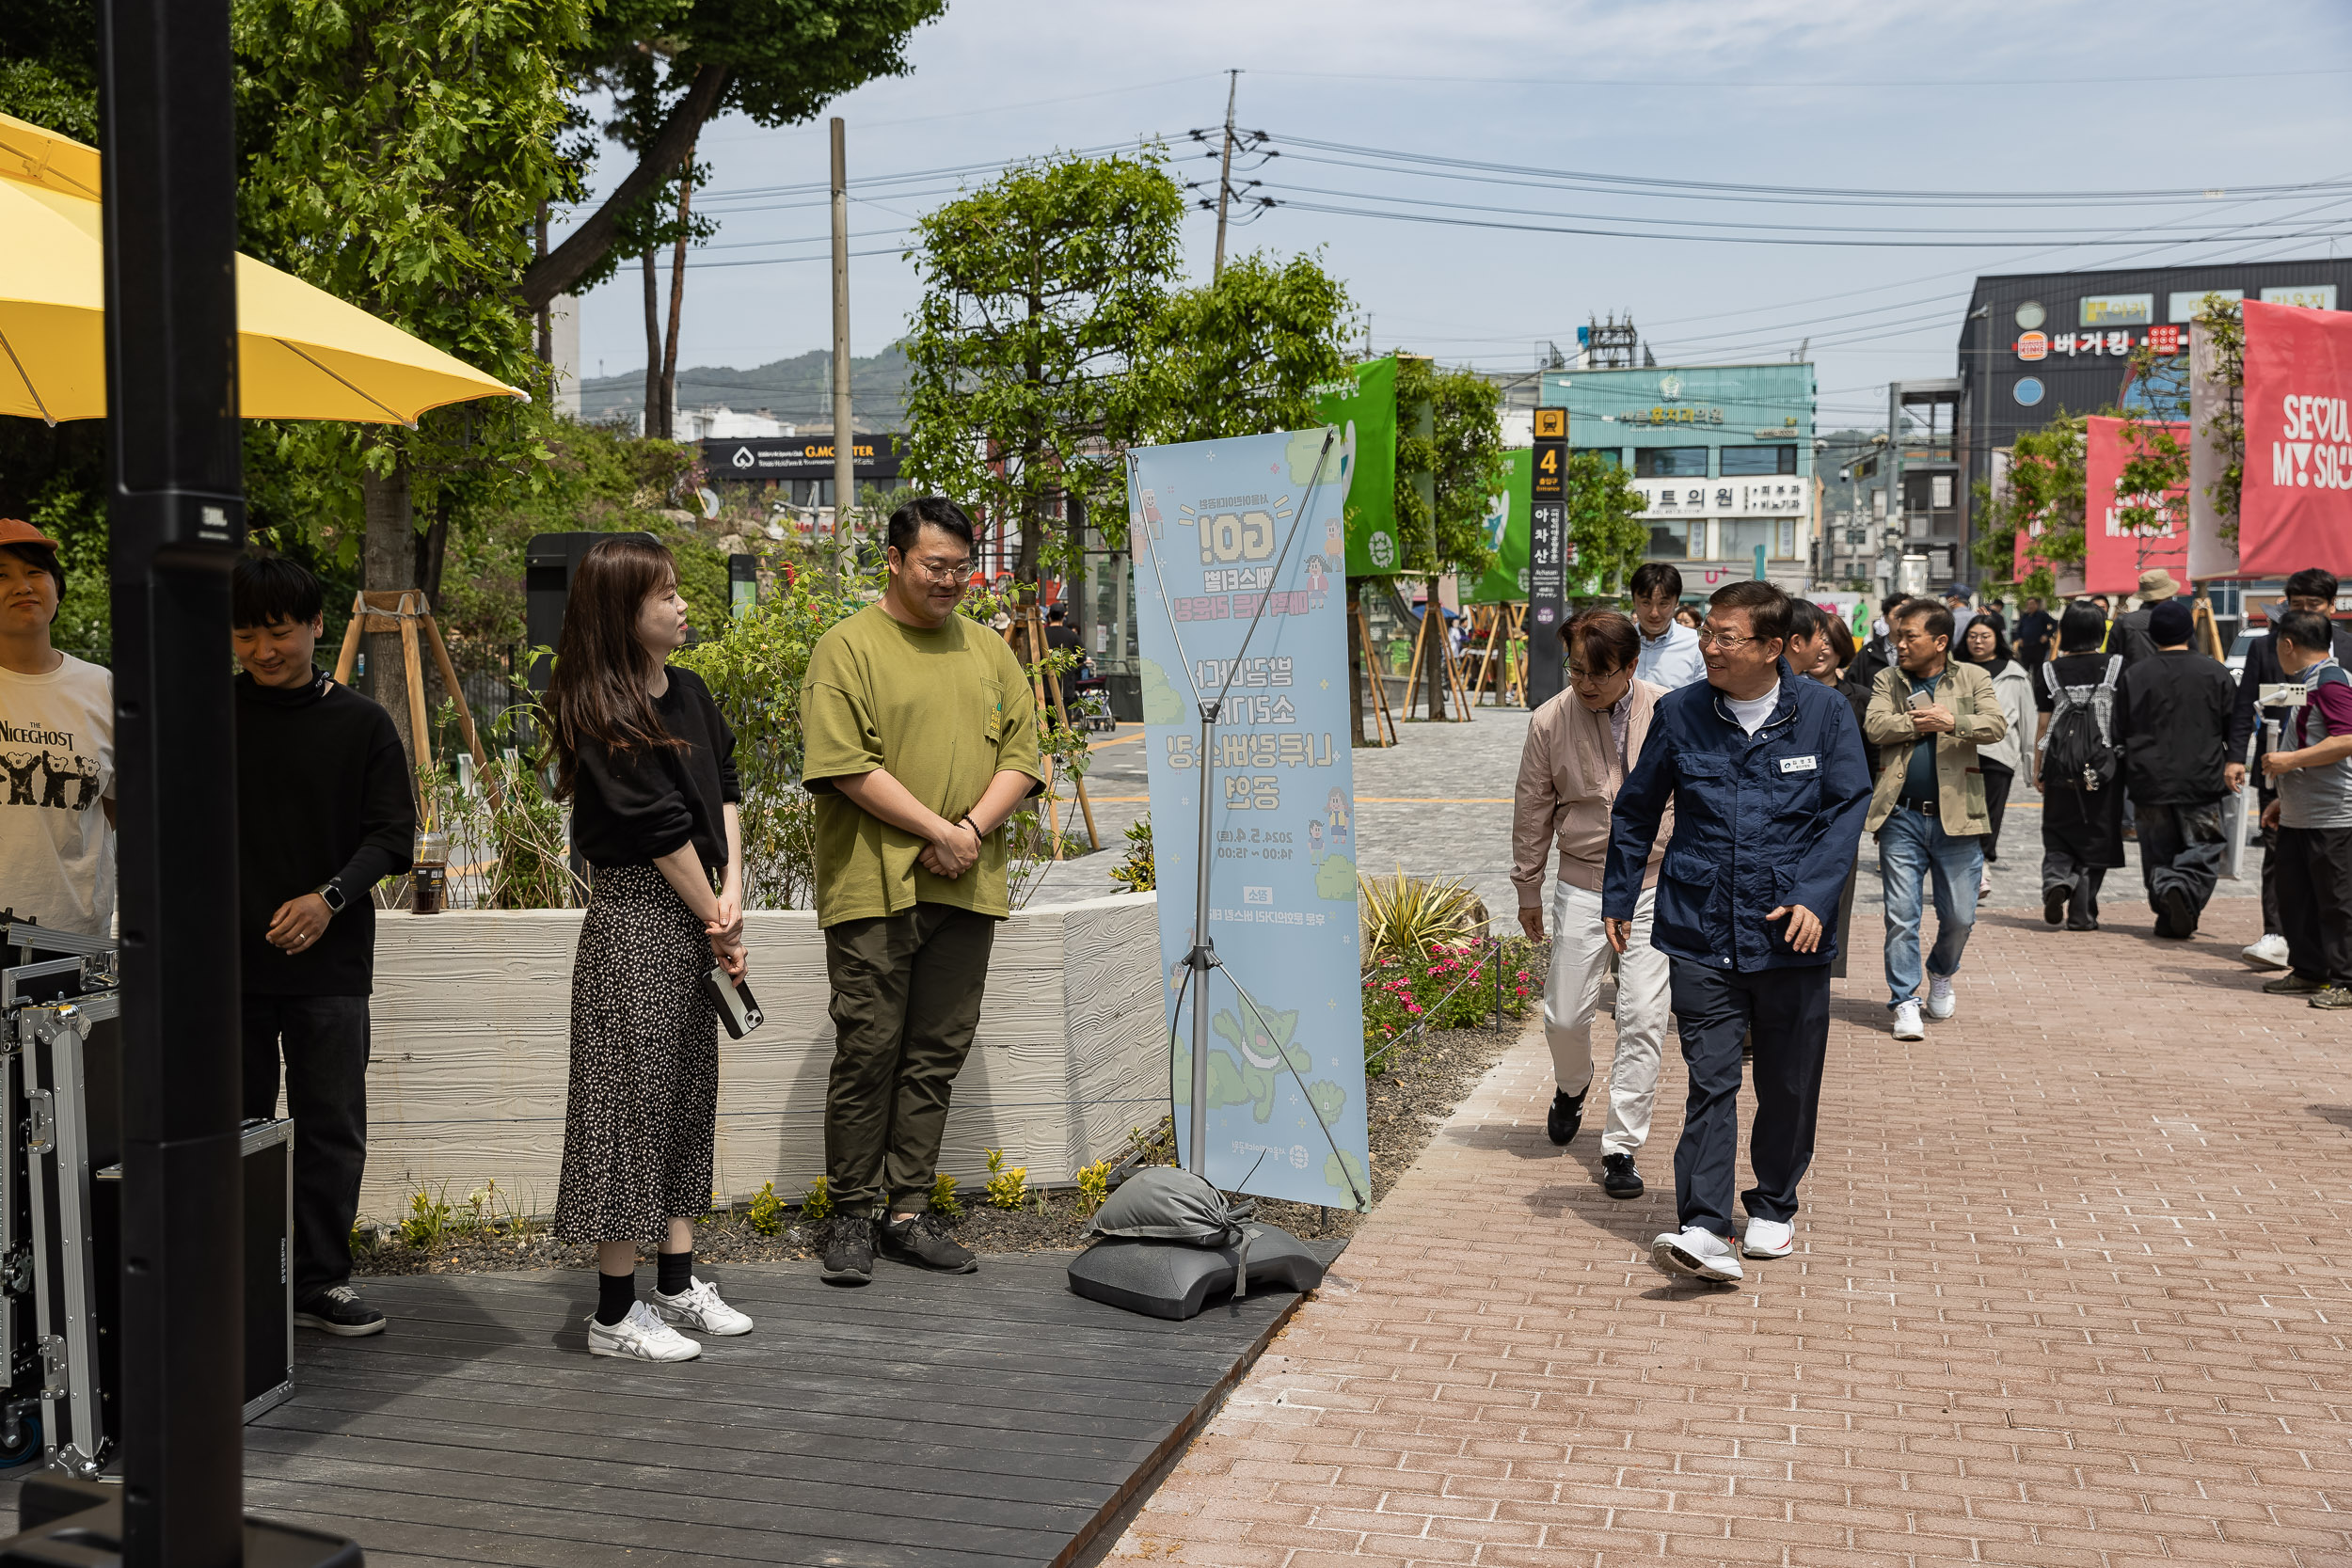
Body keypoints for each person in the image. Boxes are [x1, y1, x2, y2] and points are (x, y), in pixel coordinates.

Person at [802, 496, 1045, 1285]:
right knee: (868, 1049)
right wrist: (937, 832)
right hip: (872, 887)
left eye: (960, 568)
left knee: (936, 1053)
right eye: (934, 566)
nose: (949, 581)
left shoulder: (990, 652)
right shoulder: (847, 648)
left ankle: (906, 1212)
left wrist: (968, 828)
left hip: (966, 887)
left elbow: (1023, 753)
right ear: (896, 561)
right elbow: (844, 764)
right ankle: (850, 1214)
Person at [1604, 581, 1872, 1285]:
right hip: (1700, 926)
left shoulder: (1823, 713)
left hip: (1793, 933)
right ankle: (1703, 1222)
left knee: (1788, 1080)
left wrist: (1817, 897)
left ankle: (1774, 1204)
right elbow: (1636, 808)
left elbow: (1847, 810)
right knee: (1711, 1078)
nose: (1709, 646)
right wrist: (1620, 890)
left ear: (1774, 647)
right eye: (1709, 634)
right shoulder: (1683, 713)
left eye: (1726, 636)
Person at [548, 534, 755, 1363]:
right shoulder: (598, 706)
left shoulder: (692, 692)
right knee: (625, 1111)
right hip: (637, 916)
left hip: (700, 908)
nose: (680, 604)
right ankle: (612, 1313)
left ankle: (675, 1282)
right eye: (664, 594)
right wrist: (718, 913)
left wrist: (731, 888)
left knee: (682, 1100)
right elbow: (655, 828)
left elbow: (726, 786)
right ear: (622, 610)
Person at [230, 555, 414, 1338]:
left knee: (331, 1124)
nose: (263, 650)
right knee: (231, 1125)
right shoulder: (204, 716)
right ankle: (235, 1278)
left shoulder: (363, 723)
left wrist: (328, 898)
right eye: (244, 634)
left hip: (331, 965)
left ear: (315, 625)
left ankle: (321, 1280)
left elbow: (392, 837)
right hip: (226, 965)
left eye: (278, 631)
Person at [1511, 610, 1672, 1200]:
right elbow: (1532, 807)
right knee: (1564, 1015)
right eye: (1576, 670)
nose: (1584, 684)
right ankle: (1572, 1085)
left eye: (1600, 674)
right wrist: (1528, 885)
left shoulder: (1668, 710)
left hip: (1656, 881)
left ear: (1631, 666)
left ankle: (1621, 1146)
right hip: (1583, 881)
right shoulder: (1548, 720)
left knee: (1644, 1016)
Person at [1862, 599, 2005, 1040]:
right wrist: (1918, 722)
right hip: (1901, 815)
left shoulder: (1973, 676)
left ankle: (1942, 971)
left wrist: (1952, 720)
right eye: (1897, 636)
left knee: (1960, 915)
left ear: (1940, 642)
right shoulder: (1888, 678)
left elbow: (1995, 725)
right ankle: (1904, 1000)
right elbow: (1875, 727)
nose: (1900, 644)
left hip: (1958, 816)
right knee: (1901, 915)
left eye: (1910, 637)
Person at [2227, 569, 2352, 971]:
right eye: (2293, 605)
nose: (2300, 613)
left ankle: (2339, 971)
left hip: (2328, 792)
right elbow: (2246, 702)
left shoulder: (2337, 667)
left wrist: (2294, 760)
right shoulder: (2270, 651)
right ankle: (2287, 945)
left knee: (2333, 886)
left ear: (2331, 607)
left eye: (2311, 606)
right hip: (2285, 780)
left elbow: (2346, 734)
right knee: (2286, 867)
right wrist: (2241, 759)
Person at [0, 517, 114, 939]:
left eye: (35, 572)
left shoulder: (101, 687)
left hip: (73, 937)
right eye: (2, 575)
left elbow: (113, 807)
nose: (23, 586)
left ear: (56, 588)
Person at [2115, 597, 2234, 941]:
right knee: (2204, 845)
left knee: (2157, 851)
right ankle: (2179, 887)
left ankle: (2167, 915)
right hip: (2202, 779)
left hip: (2148, 780)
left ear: (2152, 634)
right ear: (2189, 631)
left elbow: (2119, 727)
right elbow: (2233, 724)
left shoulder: (2135, 675)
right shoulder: (2215, 672)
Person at [2256, 609, 2352, 1007]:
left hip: (2332, 816)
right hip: (2300, 813)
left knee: (2337, 901)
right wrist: (2284, 796)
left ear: (2288, 644)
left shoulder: (2331, 682)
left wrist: (2289, 763)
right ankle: (2310, 972)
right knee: (2296, 897)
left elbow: (2347, 739)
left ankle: (2346, 980)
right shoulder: (2310, 681)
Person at [1783, 603, 1868, 980]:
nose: (1822, 648)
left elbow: (1852, 790)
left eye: (1829, 641)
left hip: (1824, 829)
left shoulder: (1837, 703)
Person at [2034, 603, 2128, 930]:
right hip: (2103, 769)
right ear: (2101, 631)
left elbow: (2044, 725)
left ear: (2065, 631)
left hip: (2060, 766)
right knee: (2095, 838)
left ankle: (2057, 880)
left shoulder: (2049, 670)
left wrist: (2038, 767)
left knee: (2058, 833)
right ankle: (2081, 914)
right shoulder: (2117, 666)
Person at [1959, 618, 2035, 892]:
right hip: (1959, 751)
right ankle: (1967, 868)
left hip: (1998, 753)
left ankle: (1980, 866)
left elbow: (2028, 718)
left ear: (1997, 638)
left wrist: (2030, 764)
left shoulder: (2014, 672)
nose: (1978, 641)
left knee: (1990, 814)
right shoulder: (1955, 669)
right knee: (1961, 814)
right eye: (1972, 636)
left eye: (1984, 636)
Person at [1629, 563, 1706, 689]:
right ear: (1633, 601)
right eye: (1646, 603)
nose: (1654, 613)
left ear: (1676, 602)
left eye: (1663, 604)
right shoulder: (1617, 642)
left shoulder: (1696, 646)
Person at [1847, 591, 1907, 693]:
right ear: (1885, 617)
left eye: (1908, 614)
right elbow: (1851, 685)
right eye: (1898, 614)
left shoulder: (1920, 651)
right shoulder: (1869, 652)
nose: (1903, 619)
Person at [2013, 595, 2055, 669]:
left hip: (2038, 647)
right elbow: (2019, 629)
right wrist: (2019, 638)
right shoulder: (2025, 616)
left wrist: (2047, 635)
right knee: (2024, 668)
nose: (2030, 606)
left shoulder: (2042, 615)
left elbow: (2054, 624)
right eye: (2028, 604)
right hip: (2026, 647)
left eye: (2032, 604)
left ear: (2036, 605)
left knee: (2038, 670)